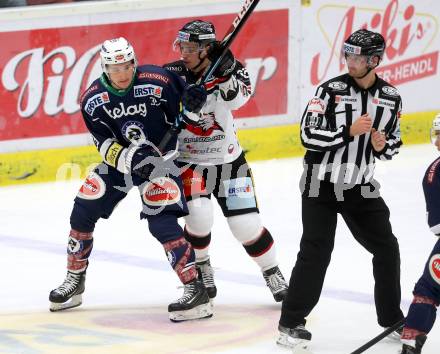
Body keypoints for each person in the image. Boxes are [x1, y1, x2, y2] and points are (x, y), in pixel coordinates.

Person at [49, 37, 213, 322]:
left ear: (133, 63)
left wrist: (195, 104)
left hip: (161, 161)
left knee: (161, 222)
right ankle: (75, 282)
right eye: (115, 68)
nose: (122, 74)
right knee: (83, 209)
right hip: (121, 163)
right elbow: (102, 144)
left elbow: (190, 114)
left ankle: (195, 288)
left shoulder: (159, 80)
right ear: (105, 68)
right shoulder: (92, 100)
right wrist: (129, 159)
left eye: (126, 66)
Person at [277, 29, 405, 349]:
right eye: (347, 55)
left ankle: (391, 319)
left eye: (358, 57)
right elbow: (307, 135)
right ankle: (290, 322)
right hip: (320, 182)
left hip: (359, 185)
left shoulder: (390, 97)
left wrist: (382, 143)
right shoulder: (330, 91)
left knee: (387, 248)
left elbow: (393, 144)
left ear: (374, 60)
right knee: (316, 251)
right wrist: (347, 131)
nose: (351, 62)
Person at [163, 20, 288, 303]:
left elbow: (238, 100)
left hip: (229, 161)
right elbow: (164, 114)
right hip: (189, 162)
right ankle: (203, 263)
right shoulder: (171, 73)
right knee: (199, 217)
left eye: (191, 48)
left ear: (207, 50)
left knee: (246, 225)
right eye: (181, 45)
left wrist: (227, 71)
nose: (184, 52)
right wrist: (184, 104)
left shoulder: (230, 68)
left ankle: (271, 270)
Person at [400, 113, 440, 354]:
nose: (436, 142)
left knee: (429, 288)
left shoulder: (435, 172)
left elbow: (437, 226)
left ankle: (411, 340)